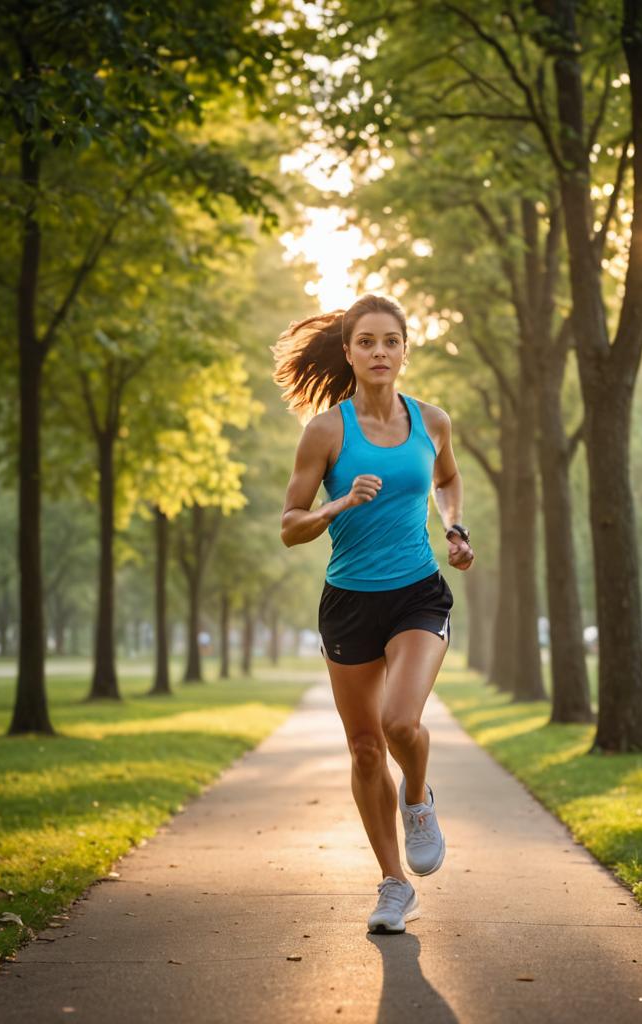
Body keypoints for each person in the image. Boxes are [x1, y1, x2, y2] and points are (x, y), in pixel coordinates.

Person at [274, 294, 474, 935]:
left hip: (418, 591)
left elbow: (447, 479)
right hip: (349, 601)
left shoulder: (432, 421)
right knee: (364, 750)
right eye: (367, 342)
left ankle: (418, 799)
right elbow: (289, 526)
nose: (380, 352)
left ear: (406, 350)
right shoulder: (326, 432)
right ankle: (394, 885)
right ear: (349, 351)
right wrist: (338, 507)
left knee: (400, 724)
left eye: (391, 341)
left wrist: (455, 528)